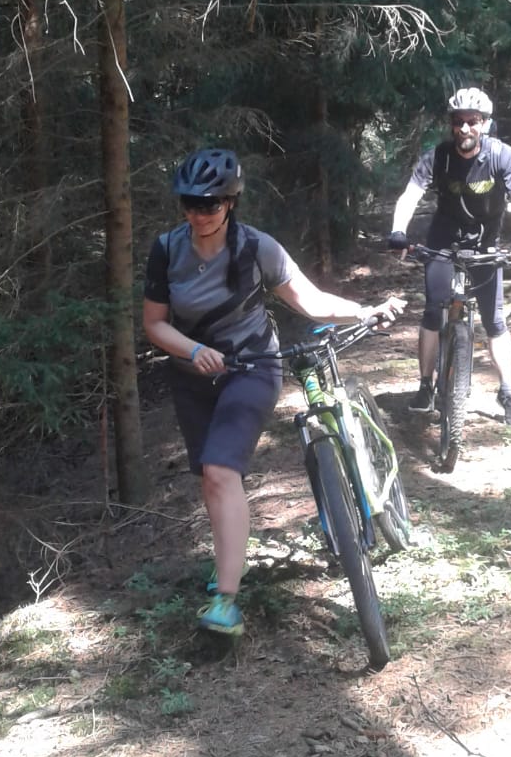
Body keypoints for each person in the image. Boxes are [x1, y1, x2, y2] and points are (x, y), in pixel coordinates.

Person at [143, 146, 404, 638]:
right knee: (212, 480)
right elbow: (154, 324)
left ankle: (226, 601)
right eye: (190, 203)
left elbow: (310, 301)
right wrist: (193, 349)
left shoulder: (257, 247)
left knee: (221, 470)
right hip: (191, 375)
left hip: (252, 368)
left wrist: (363, 310)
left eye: (209, 204)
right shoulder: (167, 249)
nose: (198, 213)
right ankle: (231, 557)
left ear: (230, 202)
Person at [387, 87, 511, 427]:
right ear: (451, 124)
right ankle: (426, 385)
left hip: (485, 243)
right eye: (458, 121)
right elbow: (410, 195)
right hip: (443, 239)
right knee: (432, 312)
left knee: (494, 321)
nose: (465, 128)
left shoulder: (502, 156)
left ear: (484, 124)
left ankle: (508, 393)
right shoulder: (439, 156)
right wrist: (398, 231)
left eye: (473, 121)